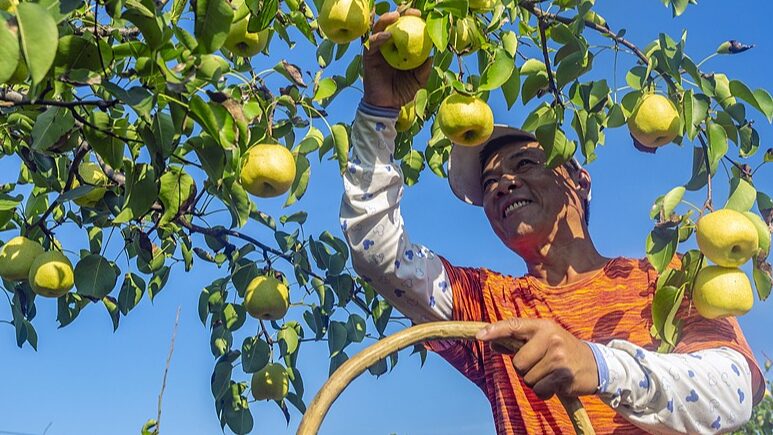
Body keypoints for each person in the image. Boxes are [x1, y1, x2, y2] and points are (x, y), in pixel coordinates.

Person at [338, 9, 765, 434]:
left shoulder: (661, 281)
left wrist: (599, 366)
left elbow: (733, 392)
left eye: (525, 163)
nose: (502, 184)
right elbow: (380, 254)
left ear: (578, 179)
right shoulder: (491, 304)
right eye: (488, 183)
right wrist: (379, 111)